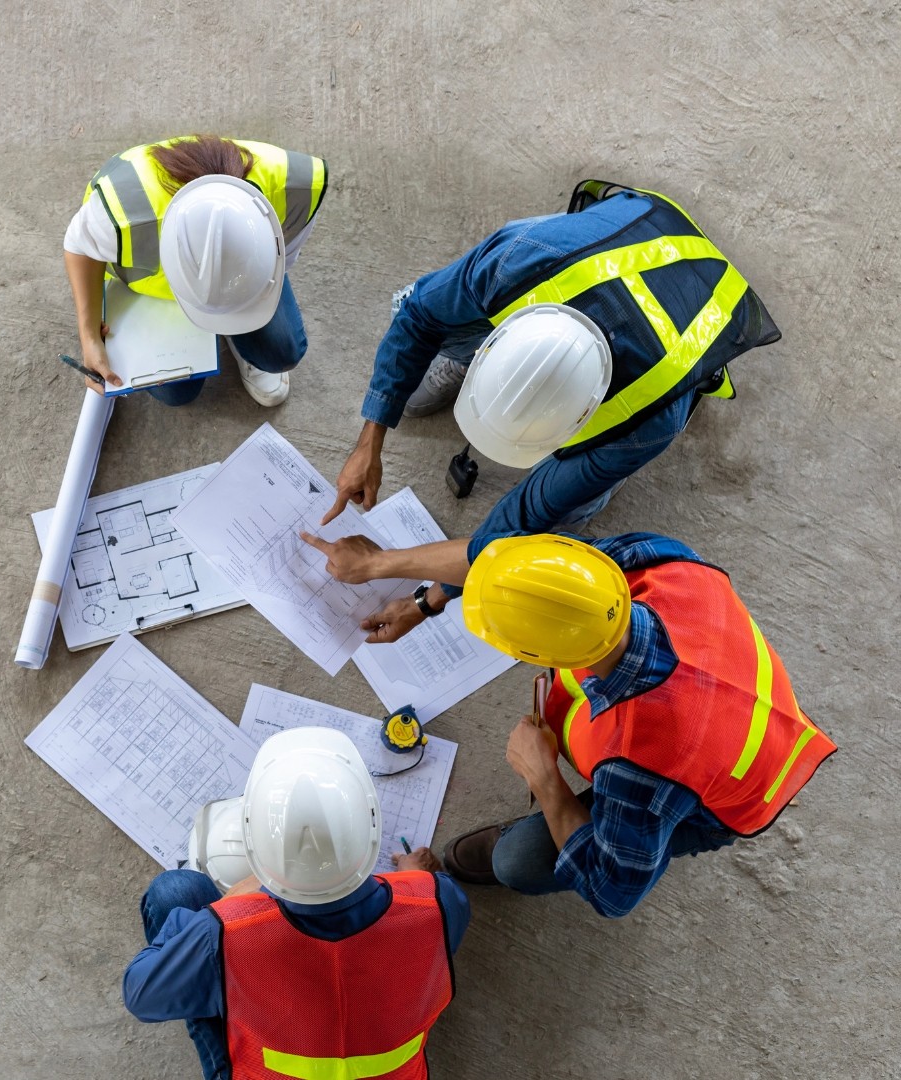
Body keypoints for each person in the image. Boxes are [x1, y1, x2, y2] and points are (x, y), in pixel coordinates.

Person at [316, 180, 781, 643]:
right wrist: (369, 440)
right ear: (503, 341)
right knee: (431, 302)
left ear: (580, 418)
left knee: (567, 506)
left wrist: (410, 589)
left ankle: (594, 485)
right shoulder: (520, 259)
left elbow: (509, 532)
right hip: (609, 245)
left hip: (687, 301)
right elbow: (418, 318)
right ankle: (464, 349)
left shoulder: (643, 424)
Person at [304, 531, 836, 918]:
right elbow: (521, 571)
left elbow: (614, 891)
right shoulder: (651, 564)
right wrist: (426, 601)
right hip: (734, 707)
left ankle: (558, 828)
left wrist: (547, 782)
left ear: (537, 655)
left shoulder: (643, 763)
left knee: (519, 861)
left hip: (727, 791)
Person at [125, 728, 469, 1080]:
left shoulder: (223, 934)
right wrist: (415, 878)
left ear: (255, 846)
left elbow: (141, 996)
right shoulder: (438, 900)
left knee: (175, 891)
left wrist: (225, 912)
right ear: (370, 829)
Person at [65, 134, 326, 407]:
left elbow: (285, 260)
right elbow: (77, 245)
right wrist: (89, 336)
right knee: (175, 392)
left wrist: (238, 293)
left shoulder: (297, 189)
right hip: (146, 291)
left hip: (239, 282)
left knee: (282, 352)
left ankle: (241, 337)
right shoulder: (122, 217)